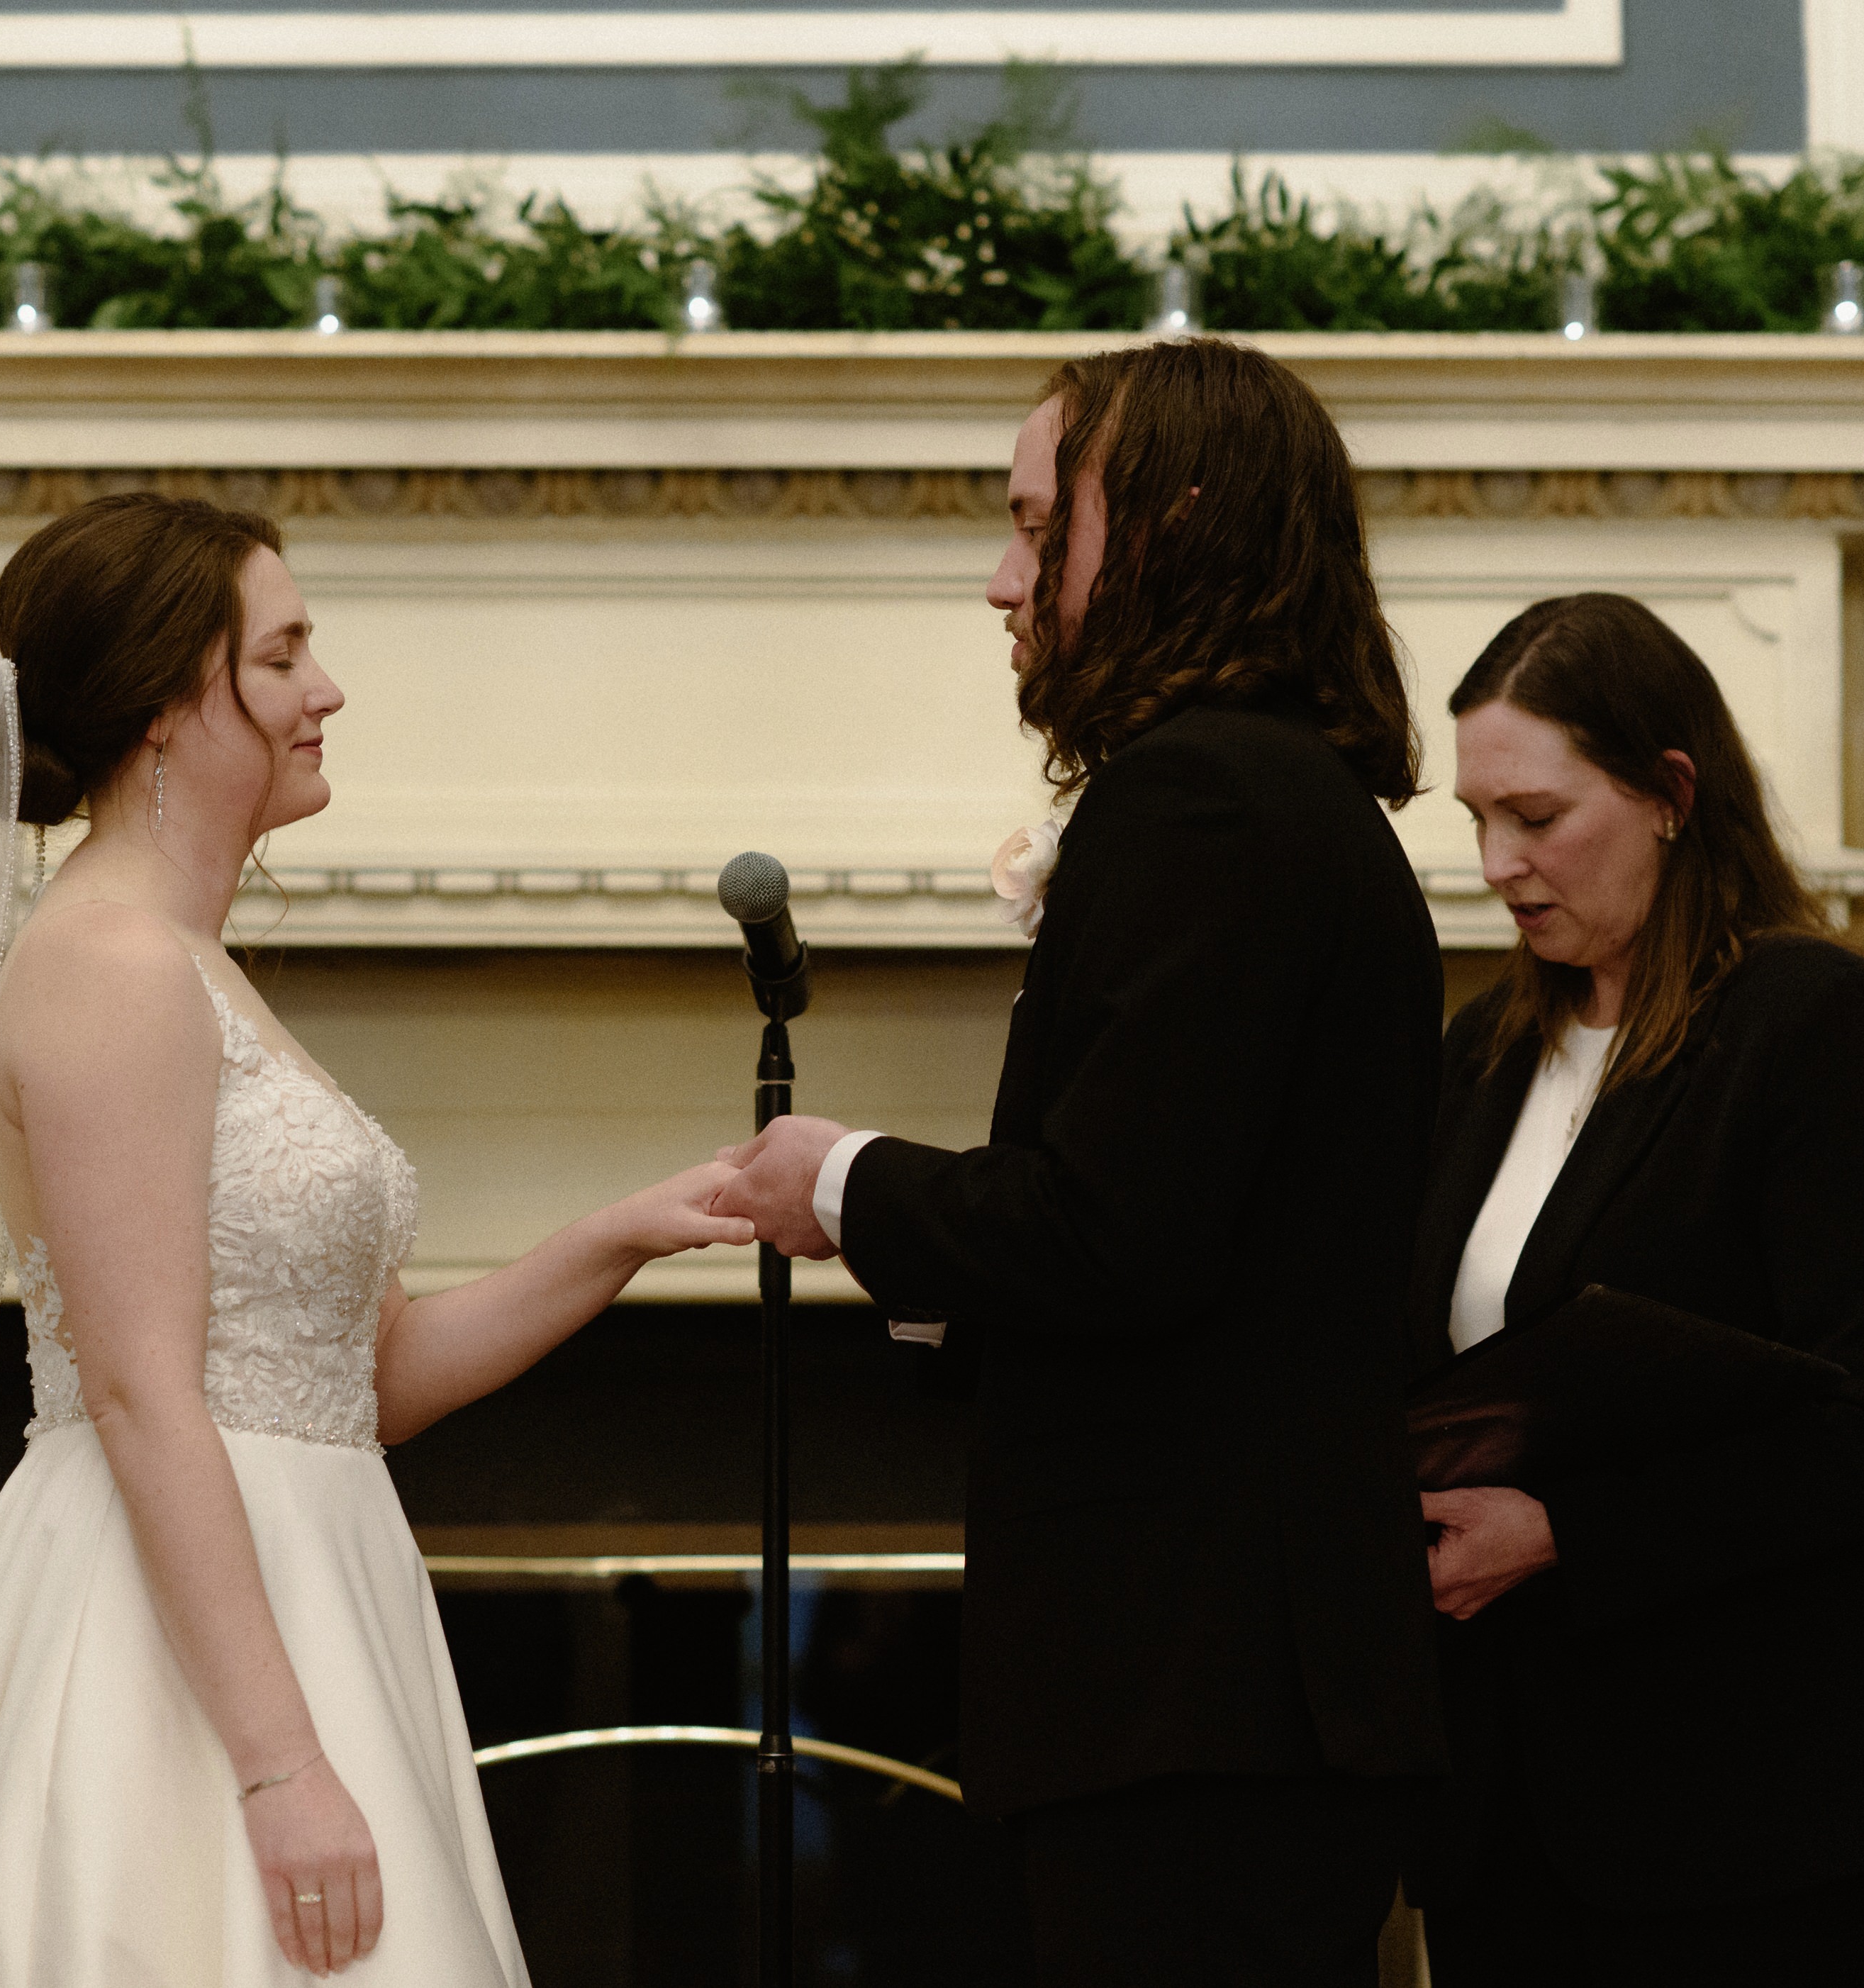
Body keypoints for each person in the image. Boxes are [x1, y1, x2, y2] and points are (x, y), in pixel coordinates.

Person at [0, 493, 754, 1987]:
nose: (324, 692)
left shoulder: (187, 960)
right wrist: (280, 1765)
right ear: (164, 704)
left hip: (313, 1579)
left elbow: (371, 1379)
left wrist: (625, 1233)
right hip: (160, 1636)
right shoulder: (109, 964)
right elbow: (145, 1390)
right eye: (281, 658)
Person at [713, 337, 1449, 1986]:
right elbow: (1199, 1222)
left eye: (1039, 529)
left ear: (1171, 524)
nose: (1002, 581)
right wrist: (932, 1271)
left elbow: (1120, 1229)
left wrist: (841, 1183)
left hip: (1199, 1686)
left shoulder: (1205, 797)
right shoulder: (1277, 790)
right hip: (1231, 1692)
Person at [1405, 593, 1864, 1984]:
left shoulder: (1809, 1022)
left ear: (1669, 792)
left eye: (1538, 817)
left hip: (1754, 1817)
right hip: (1511, 1806)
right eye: (1478, 820)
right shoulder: (1483, 1052)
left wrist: (1564, 1533)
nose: (1499, 862)